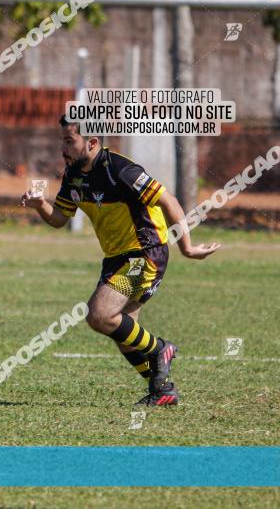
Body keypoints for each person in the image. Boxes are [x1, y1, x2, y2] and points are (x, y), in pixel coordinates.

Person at [21, 115, 221, 405]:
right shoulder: (73, 175)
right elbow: (58, 219)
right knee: (123, 330)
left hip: (146, 252)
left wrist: (187, 247)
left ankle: (160, 349)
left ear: (91, 142)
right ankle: (162, 390)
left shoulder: (120, 170)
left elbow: (170, 201)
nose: (62, 148)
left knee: (100, 315)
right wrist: (40, 204)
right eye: (61, 140)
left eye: (68, 141)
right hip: (116, 258)